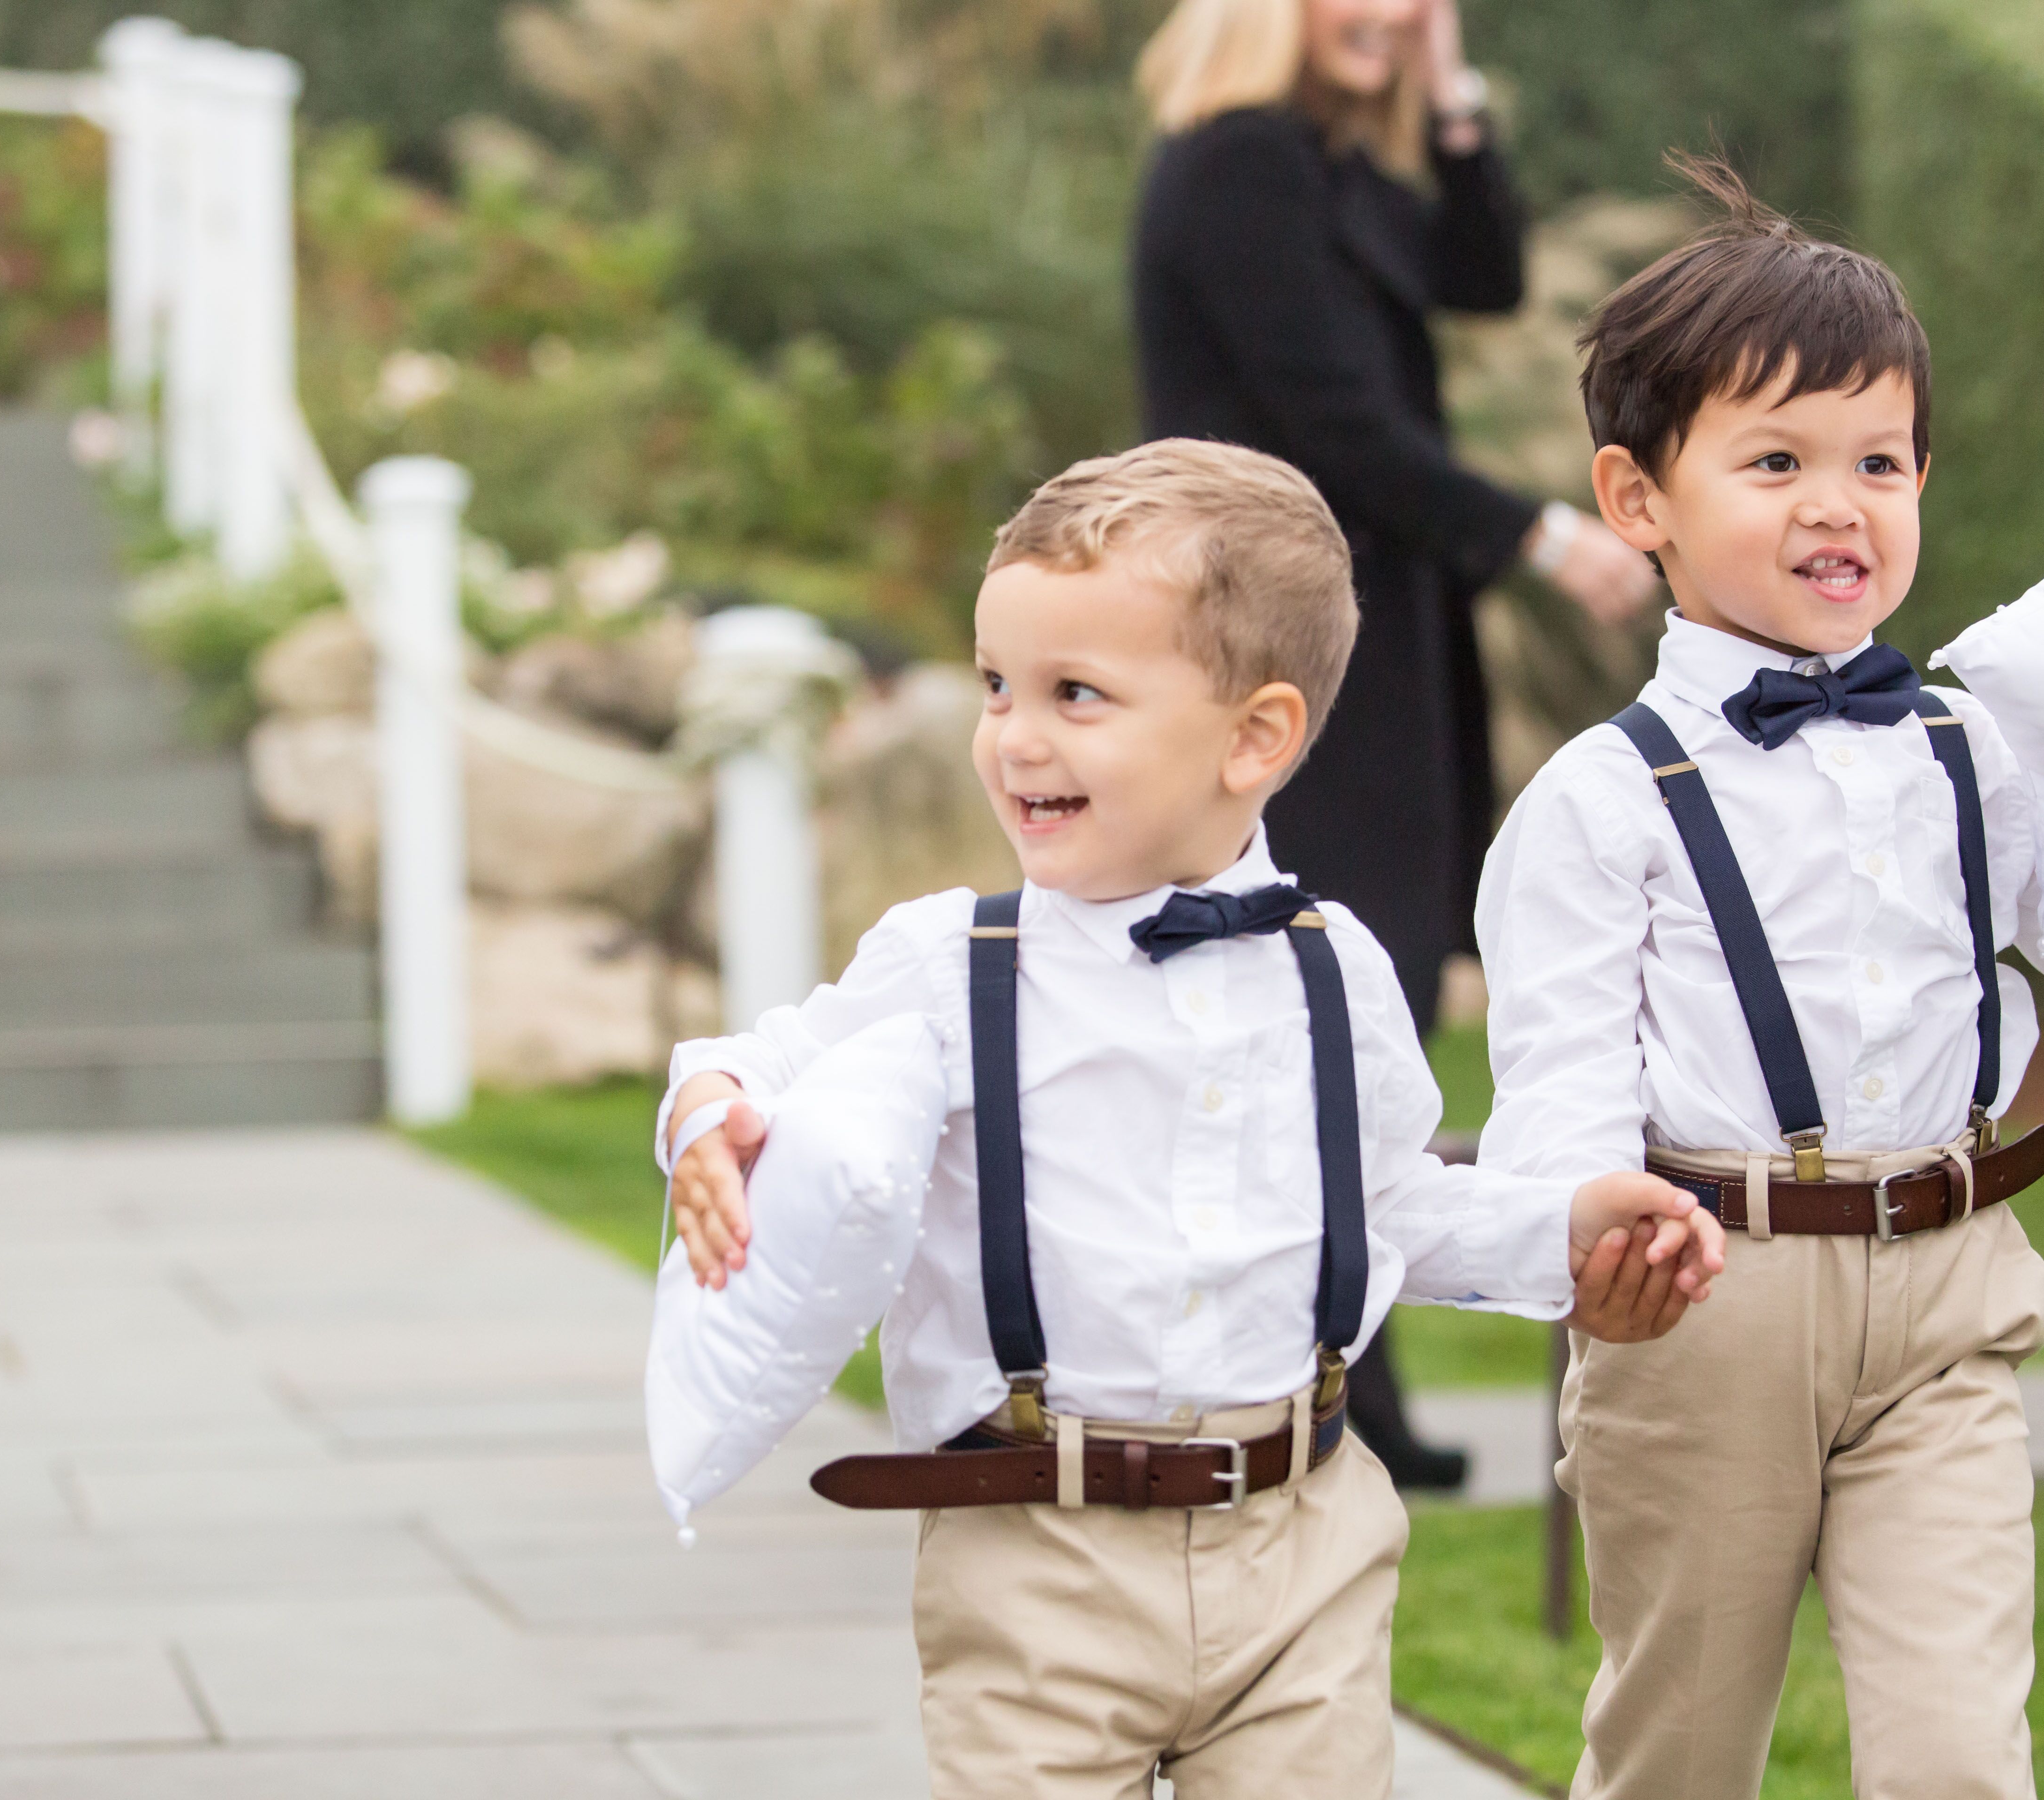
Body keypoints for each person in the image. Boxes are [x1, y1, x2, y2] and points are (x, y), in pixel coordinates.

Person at [660, 440, 1725, 1800]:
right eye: (999, 686)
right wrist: (711, 1116)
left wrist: (1563, 1232)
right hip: (1038, 1551)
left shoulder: (1335, 966)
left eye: (1075, 694)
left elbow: (1393, 1204)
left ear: (1255, 737)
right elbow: (761, 1059)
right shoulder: (949, 966)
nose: (1015, 736)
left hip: (1303, 1539)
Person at [1477, 158, 2044, 1799]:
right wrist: (1588, 1236)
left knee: (1958, 1757)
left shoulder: (1974, 750)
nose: (1836, 503)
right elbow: (1559, 1087)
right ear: (1638, 499)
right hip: (1709, 1304)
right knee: (1678, 1755)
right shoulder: (1599, 799)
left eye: (1878, 461)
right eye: (1775, 460)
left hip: (1948, 1294)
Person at [1131, 0, 1660, 1487]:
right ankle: (1333, 1374)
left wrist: (1449, 88)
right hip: (1279, 640)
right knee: (1328, 980)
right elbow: (1335, 428)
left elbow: (1484, 278)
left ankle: (1349, 1363)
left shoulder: (1329, 167)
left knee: (1376, 979)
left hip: (1375, 630)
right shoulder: (1237, 164)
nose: (1386, 10)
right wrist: (1542, 538)